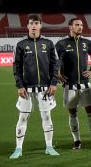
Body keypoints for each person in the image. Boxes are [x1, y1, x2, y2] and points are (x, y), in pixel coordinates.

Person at [10, 14, 60, 159]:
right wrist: (19, 85)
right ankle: (18, 148)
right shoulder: (21, 44)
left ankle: (49, 146)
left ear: (40, 25)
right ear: (27, 26)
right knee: (23, 117)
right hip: (27, 88)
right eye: (31, 23)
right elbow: (16, 67)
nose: (33, 26)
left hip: (45, 87)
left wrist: (53, 83)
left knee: (46, 115)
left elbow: (55, 65)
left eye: (36, 23)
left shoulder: (48, 43)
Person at [55, 17, 91, 151]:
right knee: (72, 112)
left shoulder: (87, 43)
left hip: (85, 85)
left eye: (81, 25)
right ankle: (76, 141)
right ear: (70, 27)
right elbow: (55, 60)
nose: (80, 27)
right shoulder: (61, 44)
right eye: (77, 25)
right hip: (69, 85)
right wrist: (56, 73)